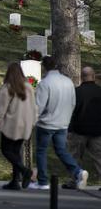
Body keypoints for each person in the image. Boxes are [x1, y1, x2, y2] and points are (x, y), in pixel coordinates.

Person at [32, 56, 88, 189]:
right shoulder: (68, 81)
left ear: (44, 67)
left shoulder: (45, 84)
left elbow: (38, 107)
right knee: (62, 151)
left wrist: (32, 120)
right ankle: (77, 171)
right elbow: (73, 102)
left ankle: (43, 181)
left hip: (46, 123)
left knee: (41, 151)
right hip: (62, 123)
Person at [0, 62, 38, 190]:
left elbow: (0, 110)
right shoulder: (29, 87)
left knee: (6, 150)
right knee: (16, 152)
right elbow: (34, 107)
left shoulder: (7, 88)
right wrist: (33, 122)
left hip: (11, 126)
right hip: (25, 125)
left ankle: (24, 171)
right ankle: (15, 181)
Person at [68, 66, 101, 183]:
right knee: (99, 158)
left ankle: (75, 180)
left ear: (81, 77)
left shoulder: (76, 92)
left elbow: (71, 110)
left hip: (78, 130)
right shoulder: (99, 91)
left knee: (75, 157)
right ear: (93, 77)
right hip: (97, 131)